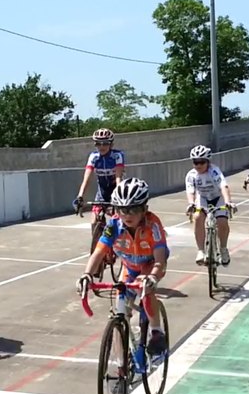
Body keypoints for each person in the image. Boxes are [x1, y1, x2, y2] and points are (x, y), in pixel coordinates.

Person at [77, 177, 169, 358]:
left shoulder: (153, 224)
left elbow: (159, 259)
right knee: (120, 309)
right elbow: (98, 252)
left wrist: (153, 277)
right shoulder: (113, 225)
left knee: (145, 287)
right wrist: (87, 274)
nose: (128, 215)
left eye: (134, 210)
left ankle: (157, 331)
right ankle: (121, 367)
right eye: (122, 210)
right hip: (129, 266)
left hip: (150, 265)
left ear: (144, 209)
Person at [185, 145, 234, 266]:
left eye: (201, 162)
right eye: (195, 162)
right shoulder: (191, 175)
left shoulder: (214, 171)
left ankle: (223, 249)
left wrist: (228, 202)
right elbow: (190, 191)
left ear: (208, 162)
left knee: (222, 223)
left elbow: (223, 186)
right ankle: (201, 251)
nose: (198, 165)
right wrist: (191, 203)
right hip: (203, 198)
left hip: (218, 198)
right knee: (197, 217)